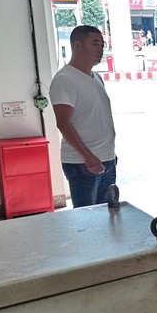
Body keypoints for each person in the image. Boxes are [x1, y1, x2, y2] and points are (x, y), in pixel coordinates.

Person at [49, 25, 117, 208]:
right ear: (77, 45)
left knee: (107, 213)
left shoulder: (96, 77)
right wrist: (88, 157)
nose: (100, 49)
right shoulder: (65, 79)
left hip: (107, 159)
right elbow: (63, 123)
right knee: (87, 217)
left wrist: (109, 154)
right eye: (95, 44)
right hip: (83, 163)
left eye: (102, 45)